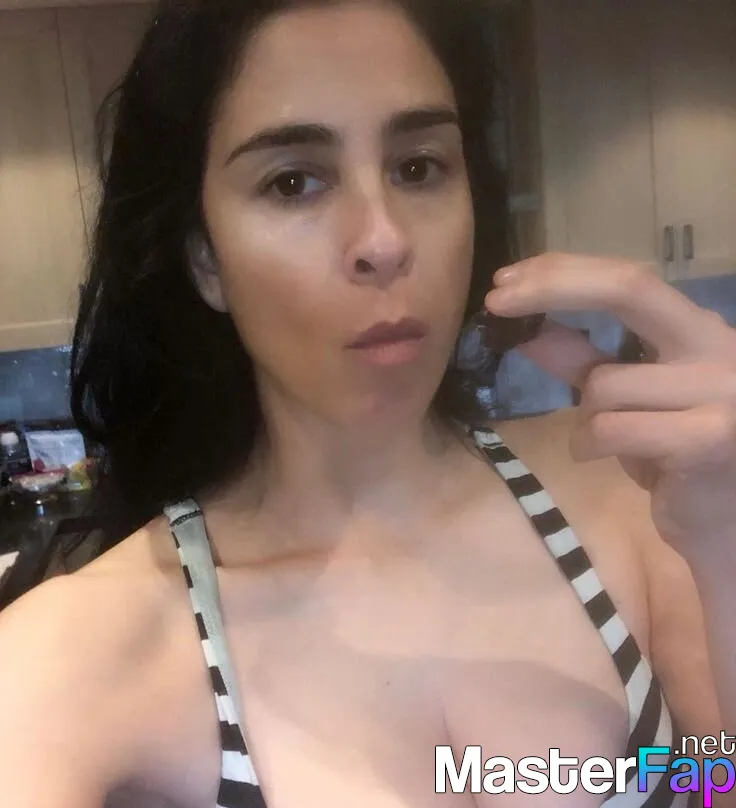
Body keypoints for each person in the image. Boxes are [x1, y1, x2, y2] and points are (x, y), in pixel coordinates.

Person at [1, 0, 735, 806]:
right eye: (292, 182)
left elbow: (715, 778)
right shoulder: (76, 654)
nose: (384, 239)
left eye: (418, 167)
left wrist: (725, 536)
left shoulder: (632, 490)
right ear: (206, 261)